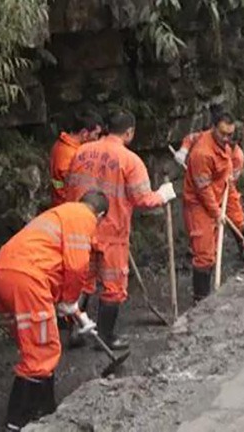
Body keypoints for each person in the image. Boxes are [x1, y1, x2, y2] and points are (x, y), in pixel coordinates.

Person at [0, 191, 109, 430]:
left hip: (1, 275)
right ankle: (19, 421)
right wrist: (70, 299)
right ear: (101, 215)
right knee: (43, 350)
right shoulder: (83, 217)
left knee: (34, 346)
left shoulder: (59, 214)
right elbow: (76, 266)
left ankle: (44, 411)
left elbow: (54, 262)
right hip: (28, 280)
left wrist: (63, 299)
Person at [64, 110, 176, 349]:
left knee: (83, 281)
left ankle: (76, 331)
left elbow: (69, 187)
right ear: (129, 132)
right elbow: (143, 199)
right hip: (112, 232)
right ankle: (105, 336)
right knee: (113, 286)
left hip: (81, 227)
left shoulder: (81, 152)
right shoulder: (129, 160)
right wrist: (163, 194)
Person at [183, 111, 244, 302]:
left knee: (213, 250)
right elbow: (203, 190)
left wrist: (240, 227)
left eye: (229, 134)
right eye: (222, 133)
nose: (226, 138)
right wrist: (216, 213)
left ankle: (206, 295)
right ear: (213, 127)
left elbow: (228, 188)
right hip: (198, 204)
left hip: (218, 194)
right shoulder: (202, 153)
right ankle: (200, 300)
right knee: (204, 254)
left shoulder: (228, 148)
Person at [49, 108, 103, 206]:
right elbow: (77, 187)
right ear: (84, 133)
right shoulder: (71, 154)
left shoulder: (61, 145)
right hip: (68, 206)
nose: (97, 139)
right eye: (96, 134)